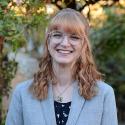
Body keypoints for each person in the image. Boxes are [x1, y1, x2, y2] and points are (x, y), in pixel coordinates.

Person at [5, 8, 118, 125]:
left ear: (84, 45)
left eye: (74, 37)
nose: (64, 43)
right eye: (57, 35)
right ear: (48, 41)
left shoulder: (104, 94)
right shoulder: (22, 93)